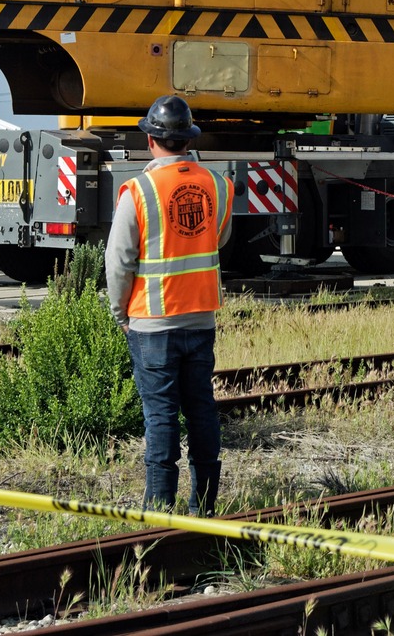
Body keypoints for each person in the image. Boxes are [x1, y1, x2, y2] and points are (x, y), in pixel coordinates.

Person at [107, 94, 232, 513]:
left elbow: (120, 261)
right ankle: (205, 505)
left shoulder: (139, 190)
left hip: (152, 321)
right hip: (201, 318)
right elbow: (217, 238)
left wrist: (119, 312)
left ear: (151, 141)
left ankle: (159, 506)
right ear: (189, 139)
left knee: (160, 415)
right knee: (201, 409)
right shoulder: (218, 184)